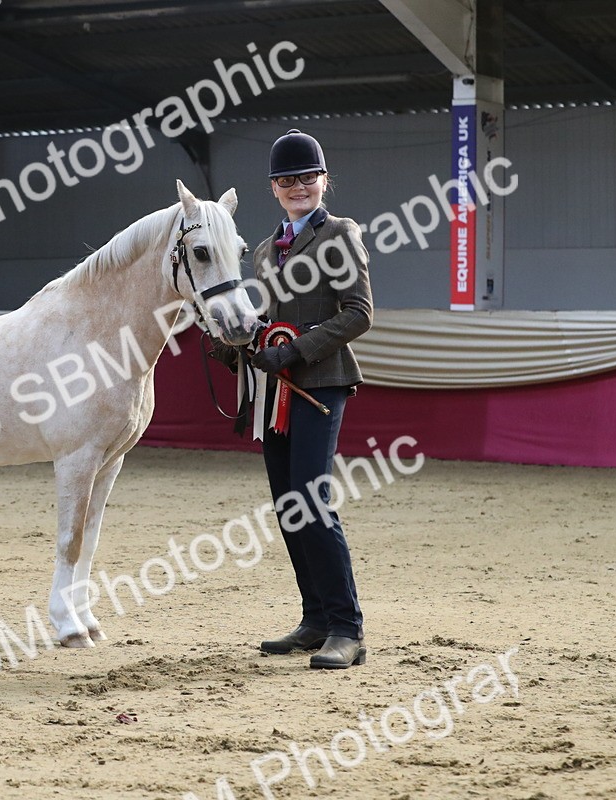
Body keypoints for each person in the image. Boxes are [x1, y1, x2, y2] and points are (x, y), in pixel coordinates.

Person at [212, 129, 373, 669]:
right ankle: (316, 619)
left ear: (324, 181)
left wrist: (296, 350)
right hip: (274, 391)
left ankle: (348, 629)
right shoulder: (263, 252)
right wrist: (232, 346)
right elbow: (265, 327)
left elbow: (358, 312)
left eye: (307, 177)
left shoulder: (340, 236)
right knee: (287, 507)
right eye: (287, 180)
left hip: (321, 383)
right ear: (274, 189)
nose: (298, 186)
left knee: (311, 499)